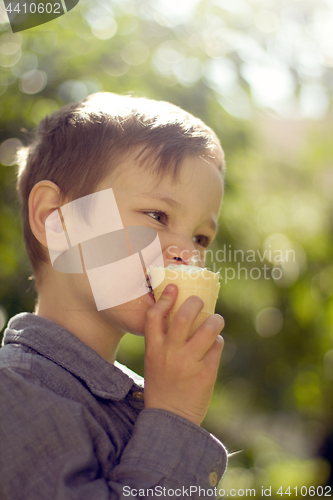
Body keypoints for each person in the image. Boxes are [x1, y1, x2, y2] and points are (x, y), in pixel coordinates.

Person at [0, 92, 228, 499]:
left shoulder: (142, 396)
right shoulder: (12, 393)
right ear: (56, 219)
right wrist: (173, 416)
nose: (188, 253)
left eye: (201, 237)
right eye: (157, 215)